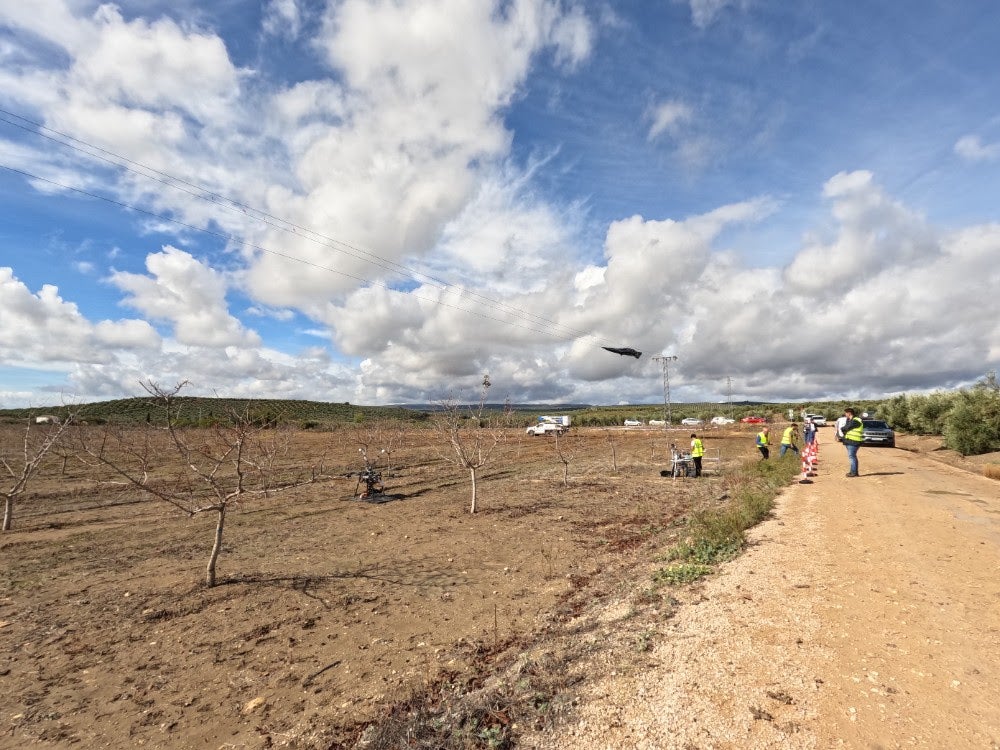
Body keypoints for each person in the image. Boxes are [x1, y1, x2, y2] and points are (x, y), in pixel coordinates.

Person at [841, 408, 864, 477]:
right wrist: (844, 428)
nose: (845, 414)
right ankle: (853, 472)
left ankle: (853, 473)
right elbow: (844, 428)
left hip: (854, 441)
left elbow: (845, 428)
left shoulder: (856, 421)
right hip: (850, 441)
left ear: (849, 413)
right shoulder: (849, 420)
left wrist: (844, 428)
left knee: (852, 457)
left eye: (846, 413)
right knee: (852, 457)